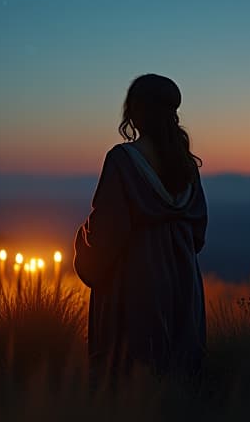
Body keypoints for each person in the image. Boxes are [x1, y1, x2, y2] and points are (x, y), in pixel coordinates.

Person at [73, 73, 209, 384]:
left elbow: (107, 232)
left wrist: (83, 244)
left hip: (133, 284)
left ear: (135, 111)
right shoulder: (186, 165)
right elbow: (198, 232)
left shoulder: (122, 160)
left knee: (130, 377)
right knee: (179, 375)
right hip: (184, 282)